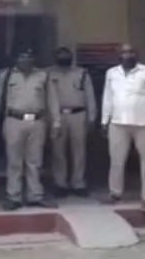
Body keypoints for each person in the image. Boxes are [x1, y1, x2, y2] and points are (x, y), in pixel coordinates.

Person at [0, 48, 61, 210]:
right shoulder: (6, 75)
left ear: (33, 59)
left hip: (37, 122)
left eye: (29, 57)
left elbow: (52, 100)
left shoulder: (43, 75)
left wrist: (56, 122)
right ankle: (13, 196)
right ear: (16, 59)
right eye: (22, 57)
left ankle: (35, 195)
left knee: (35, 161)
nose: (25, 60)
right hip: (14, 121)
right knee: (14, 161)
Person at [101, 43, 145, 212]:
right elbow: (108, 98)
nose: (128, 55)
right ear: (119, 55)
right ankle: (115, 193)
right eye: (124, 52)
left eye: (131, 52)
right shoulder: (111, 73)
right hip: (117, 122)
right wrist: (104, 121)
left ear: (137, 54)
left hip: (144, 123)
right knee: (116, 160)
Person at [48, 46, 96, 197]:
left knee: (79, 151)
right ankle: (60, 183)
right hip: (57, 115)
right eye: (60, 56)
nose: (64, 59)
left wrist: (92, 117)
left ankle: (78, 183)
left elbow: (90, 96)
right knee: (58, 151)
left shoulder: (82, 73)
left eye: (66, 56)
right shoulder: (48, 73)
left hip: (78, 114)